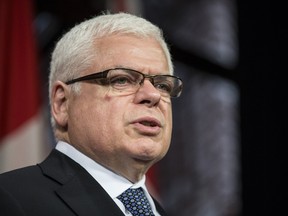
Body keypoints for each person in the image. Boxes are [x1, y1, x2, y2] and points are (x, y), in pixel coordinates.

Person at [0, 12, 183, 216]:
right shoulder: (10, 200)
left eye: (162, 85)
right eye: (121, 80)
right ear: (62, 103)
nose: (152, 95)